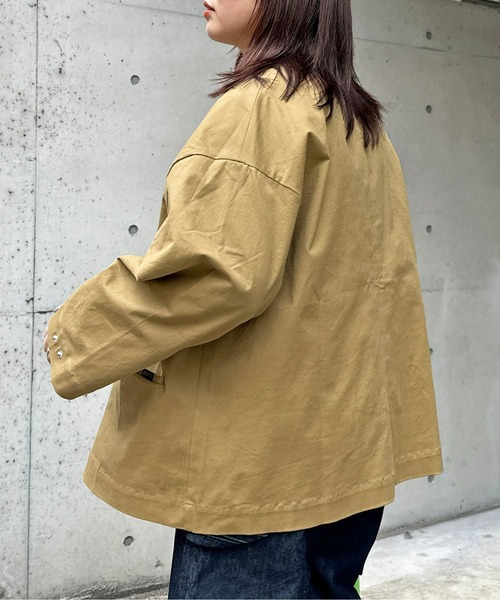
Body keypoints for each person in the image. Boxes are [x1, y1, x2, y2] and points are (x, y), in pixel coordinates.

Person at [43, 0, 444, 598]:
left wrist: (71, 337)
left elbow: (215, 273)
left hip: (259, 473)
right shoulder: (358, 122)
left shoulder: (262, 107)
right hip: (343, 458)